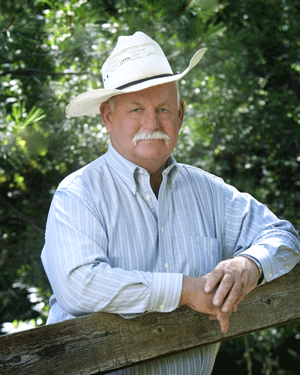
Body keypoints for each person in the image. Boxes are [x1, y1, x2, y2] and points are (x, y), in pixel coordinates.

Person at [41, 32, 300, 375]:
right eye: (136, 109)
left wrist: (249, 265)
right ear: (107, 116)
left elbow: (284, 236)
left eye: (163, 109)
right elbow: (80, 286)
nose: (152, 123)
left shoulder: (209, 192)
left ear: (179, 113)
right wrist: (188, 290)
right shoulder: (78, 194)